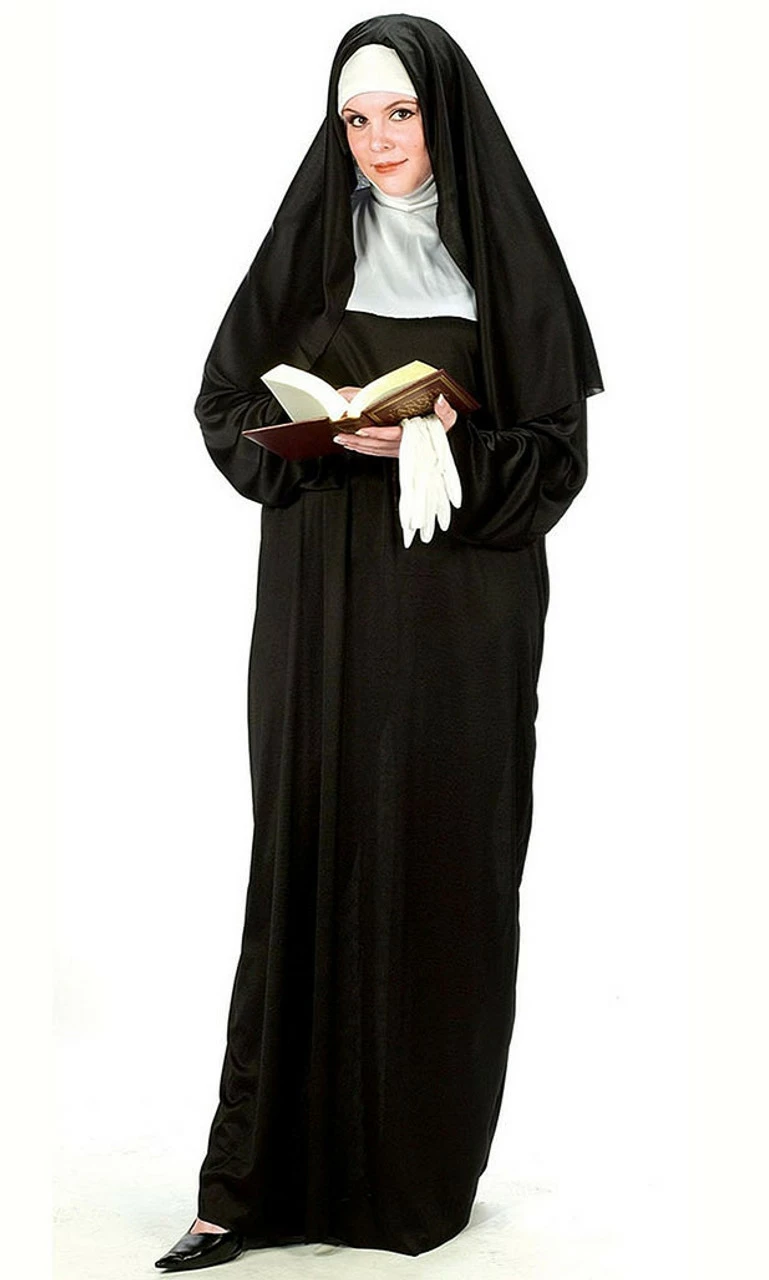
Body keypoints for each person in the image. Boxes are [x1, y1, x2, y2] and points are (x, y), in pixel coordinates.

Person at [154, 13, 604, 1273]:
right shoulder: (314, 243)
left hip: (461, 612)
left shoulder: (504, 259)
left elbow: (556, 459)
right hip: (321, 600)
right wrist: (317, 428)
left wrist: (439, 440)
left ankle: (410, 1178)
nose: (377, 141)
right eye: (354, 118)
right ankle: (244, 1185)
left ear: (442, 113)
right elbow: (224, 403)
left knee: (442, 853)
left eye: (399, 113)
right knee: (303, 847)